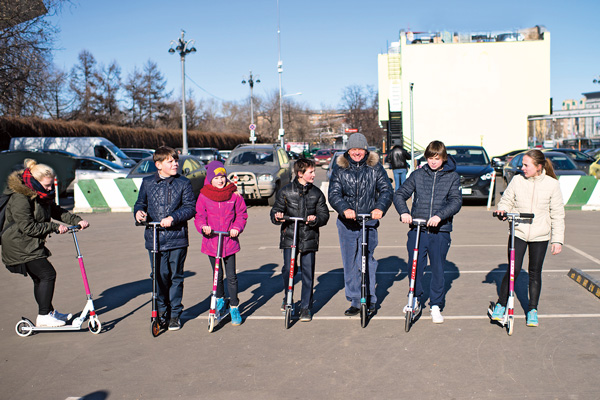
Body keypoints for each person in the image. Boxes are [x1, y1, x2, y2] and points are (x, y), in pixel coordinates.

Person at [1, 159, 89, 327]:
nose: (50, 189)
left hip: (29, 244)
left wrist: (78, 220)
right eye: (47, 185)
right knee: (47, 274)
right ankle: (43, 316)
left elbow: (55, 210)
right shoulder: (20, 197)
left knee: (40, 278)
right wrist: (55, 227)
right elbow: (28, 227)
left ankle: (48, 312)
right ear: (35, 182)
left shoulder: (41, 195)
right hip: (18, 245)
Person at [491, 149, 564, 327]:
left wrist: (557, 239)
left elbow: (557, 213)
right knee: (513, 270)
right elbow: (506, 200)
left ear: (538, 167)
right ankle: (501, 304)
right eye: (522, 164)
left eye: (526, 165)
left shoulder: (552, 184)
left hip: (540, 235)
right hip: (519, 232)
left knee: (534, 272)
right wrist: (503, 210)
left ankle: (532, 310)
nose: (522, 168)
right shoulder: (517, 180)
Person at [394, 140, 462, 324]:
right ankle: (414, 298)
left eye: (437, 158)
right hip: (418, 229)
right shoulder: (418, 175)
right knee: (415, 266)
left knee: (438, 268)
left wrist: (440, 216)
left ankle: (435, 305)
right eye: (430, 158)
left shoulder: (452, 177)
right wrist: (404, 212)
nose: (433, 162)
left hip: (440, 231)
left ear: (443, 158)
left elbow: (456, 201)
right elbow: (400, 194)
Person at [328, 132, 393, 316]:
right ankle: (356, 300)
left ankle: (370, 297)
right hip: (347, 223)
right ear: (348, 150)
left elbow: (386, 190)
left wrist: (380, 208)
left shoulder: (375, 168)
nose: (357, 153)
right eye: (353, 149)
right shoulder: (340, 169)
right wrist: (344, 209)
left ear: (366, 150)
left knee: (366, 260)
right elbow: (334, 194)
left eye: (360, 149)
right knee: (350, 261)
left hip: (368, 221)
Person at [134, 146, 196, 331]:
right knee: (159, 276)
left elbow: (190, 207)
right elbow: (140, 202)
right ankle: (161, 310)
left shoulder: (183, 183)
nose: (175, 164)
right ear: (159, 165)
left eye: (176, 160)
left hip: (177, 238)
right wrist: (138, 212)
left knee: (175, 276)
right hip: (155, 238)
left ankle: (175, 314)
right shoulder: (147, 183)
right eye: (170, 161)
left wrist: (173, 218)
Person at [270, 158, 330, 322]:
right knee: (288, 270)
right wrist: (277, 216)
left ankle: (305, 307)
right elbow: (276, 210)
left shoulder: (316, 193)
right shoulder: (286, 191)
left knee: (308, 273)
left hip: (309, 238)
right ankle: (287, 297)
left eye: (313, 172)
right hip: (290, 237)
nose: (314, 174)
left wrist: (315, 219)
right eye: (311, 172)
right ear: (300, 173)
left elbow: (324, 215)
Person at [195, 161, 248, 326]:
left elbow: (241, 214)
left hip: (228, 240)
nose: (220, 180)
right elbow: (199, 216)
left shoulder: (234, 195)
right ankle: (219, 299)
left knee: (231, 276)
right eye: (216, 177)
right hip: (212, 241)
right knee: (217, 275)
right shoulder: (204, 195)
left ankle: (234, 306)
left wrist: (236, 228)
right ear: (210, 178)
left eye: (223, 177)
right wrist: (203, 227)